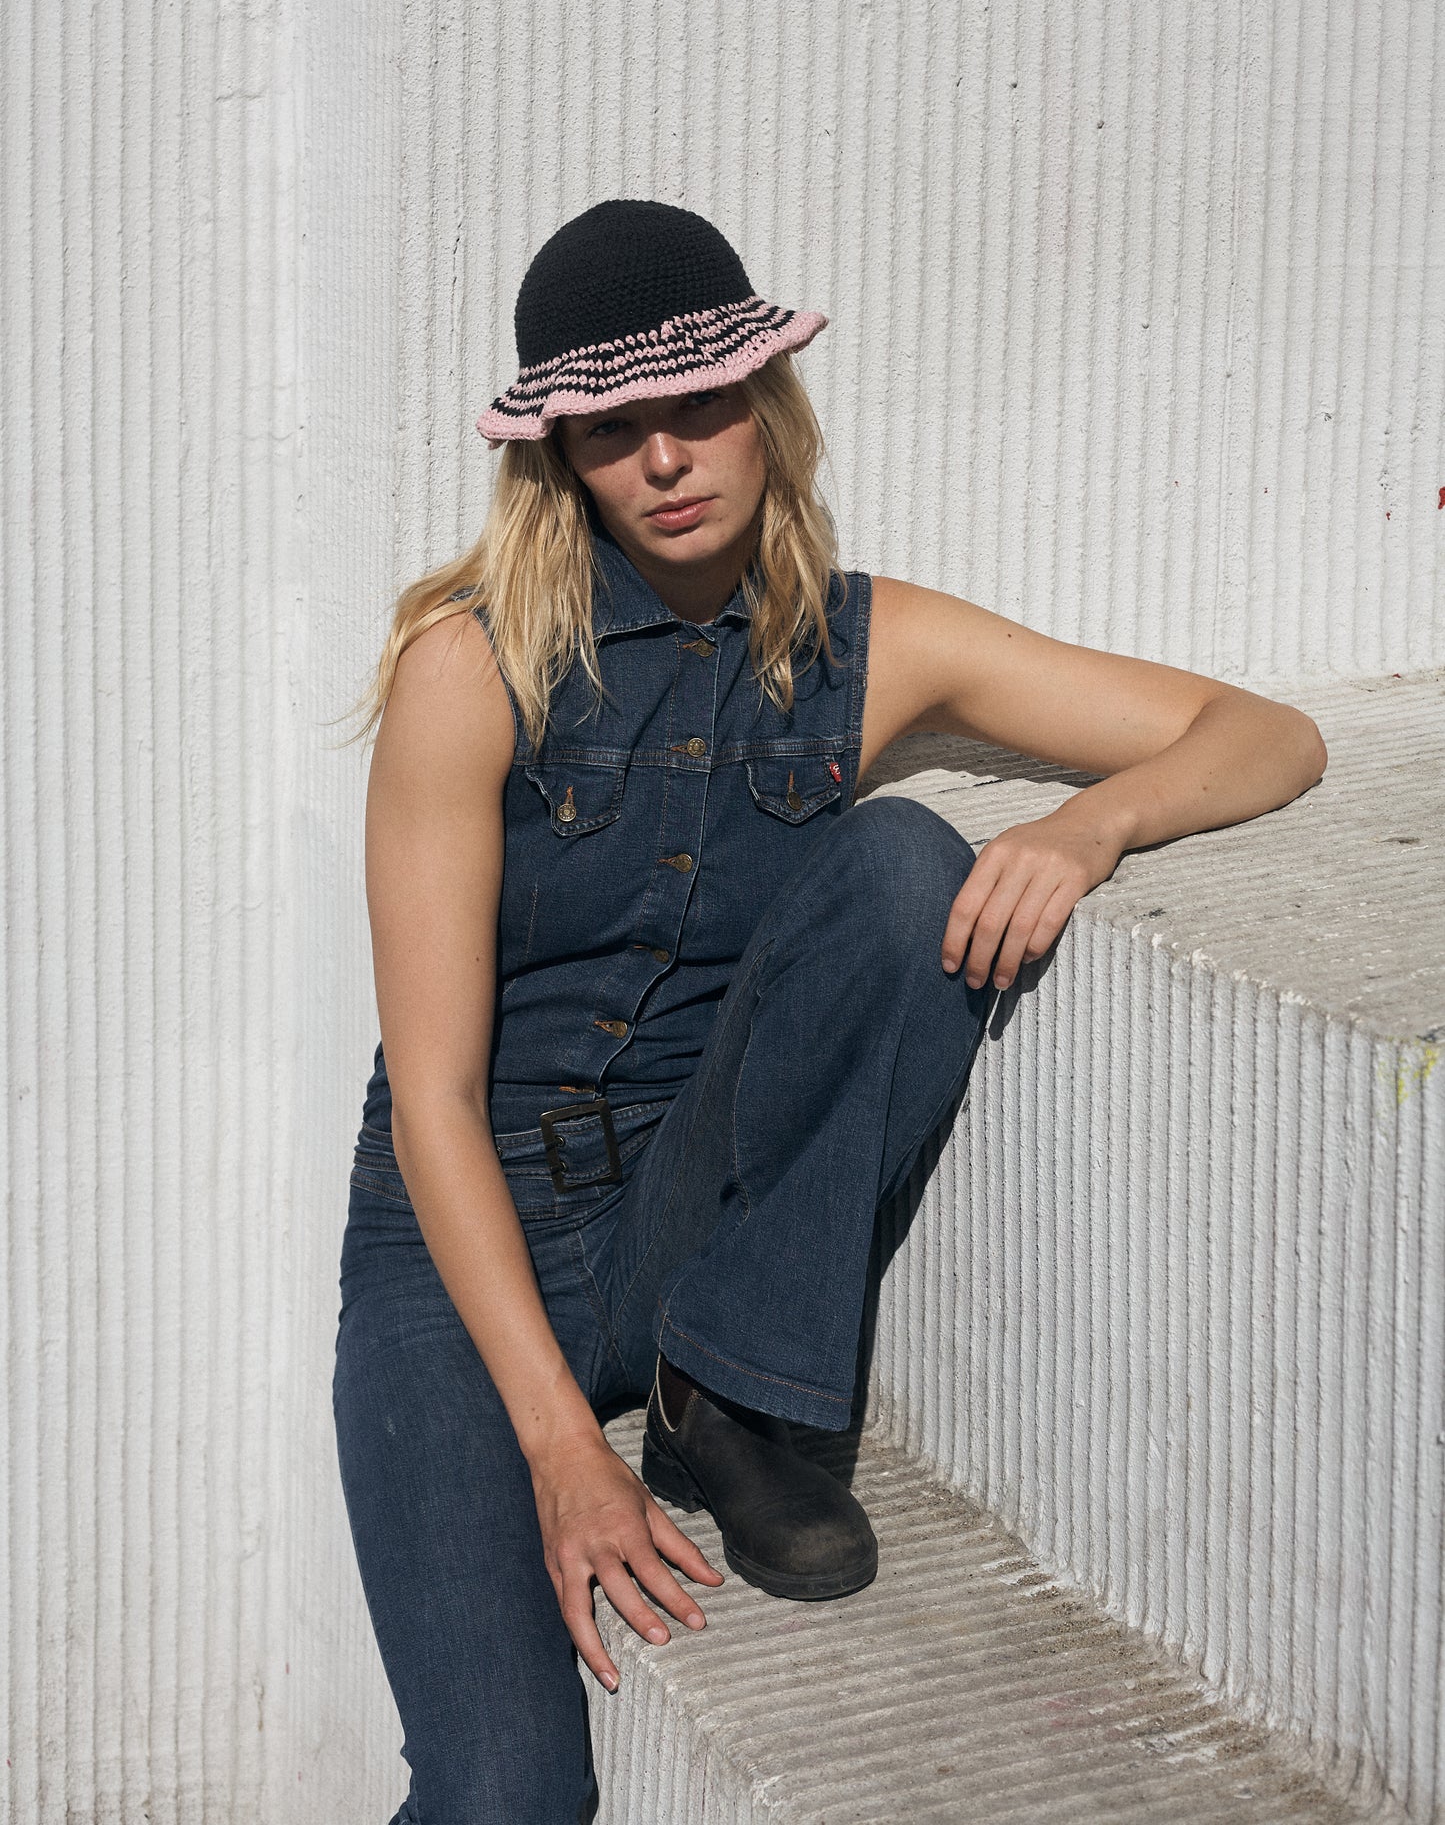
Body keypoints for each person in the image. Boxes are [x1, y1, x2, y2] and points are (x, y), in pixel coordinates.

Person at [331, 198, 1327, 1824]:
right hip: (461, 1261)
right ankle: (619, 1432)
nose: (665, 458)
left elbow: (1263, 732)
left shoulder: (873, 646)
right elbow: (432, 1101)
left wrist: (1085, 824)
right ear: (559, 458)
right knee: (506, 1795)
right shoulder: (473, 666)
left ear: (767, 403)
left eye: (701, 404)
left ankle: (739, 1402)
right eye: (613, 429)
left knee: (899, 860)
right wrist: (561, 1449)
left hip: (676, 1221)